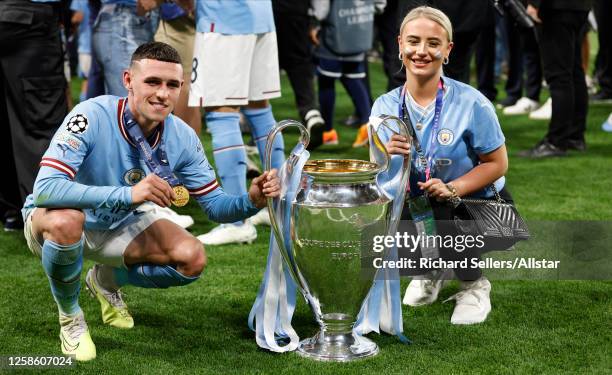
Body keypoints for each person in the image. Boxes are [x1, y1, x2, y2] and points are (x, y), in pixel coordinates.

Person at [21, 42, 280, 361]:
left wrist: (251, 200)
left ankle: (104, 279)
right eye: (153, 82)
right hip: (55, 223)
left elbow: (215, 207)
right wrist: (129, 194)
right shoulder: (91, 115)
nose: (162, 93)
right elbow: (46, 189)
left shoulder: (183, 137)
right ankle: (71, 317)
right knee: (66, 221)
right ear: (128, 80)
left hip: (119, 224)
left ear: (181, 88)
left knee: (191, 258)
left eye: (172, 85)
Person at [375, 6, 510, 324]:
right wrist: (388, 156)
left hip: (469, 201)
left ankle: (474, 284)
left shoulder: (473, 102)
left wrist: (453, 187)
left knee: (446, 213)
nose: (421, 51)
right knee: (390, 231)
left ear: (448, 49)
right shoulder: (385, 105)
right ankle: (430, 270)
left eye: (433, 43)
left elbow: (498, 163)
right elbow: (381, 177)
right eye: (413, 41)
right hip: (416, 202)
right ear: (399, 45)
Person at [182, 0, 285, 245]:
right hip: (261, 17)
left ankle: (236, 222)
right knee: (260, 110)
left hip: (224, 19)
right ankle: (279, 207)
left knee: (221, 114)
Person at [0, 0, 67, 231]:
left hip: (13, 16)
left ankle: (12, 210)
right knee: (41, 121)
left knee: (9, 118)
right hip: (31, 17)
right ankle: (45, 217)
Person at [519, 0, 591, 158]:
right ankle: (574, 136)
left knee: (559, 76)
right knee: (574, 71)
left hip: (555, 7)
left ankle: (556, 141)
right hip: (580, 7)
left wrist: (535, 3)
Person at [154, 3, 202, 134]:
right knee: (183, 86)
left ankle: (187, 148)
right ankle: (191, 149)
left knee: (182, 86)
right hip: (177, 18)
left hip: (179, 20)